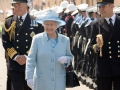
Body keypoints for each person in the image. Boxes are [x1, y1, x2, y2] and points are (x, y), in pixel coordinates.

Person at [25, 10, 73, 90]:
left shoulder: (65, 40)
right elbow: (31, 60)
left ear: (57, 25)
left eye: (52, 24)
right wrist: (29, 77)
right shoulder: (37, 39)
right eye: (46, 24)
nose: (49, 27)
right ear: (43, 25)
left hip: (59, 83)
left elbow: (70, 57)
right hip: (41, 82)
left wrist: (66, 59)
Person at [2, 0, 44, 90]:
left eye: (19, 5)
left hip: (31, 63)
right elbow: (5, 41)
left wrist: (26, 56)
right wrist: (16, 56)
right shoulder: (8, 22)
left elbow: (39, 42)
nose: (16, 8)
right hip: (14, 64)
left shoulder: (36, 22)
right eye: (15, 6)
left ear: (26, 6)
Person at [91, 0, 120, 90]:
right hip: (104, 68)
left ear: (111, 6)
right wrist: (97, 46)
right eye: (99, 7)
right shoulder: (96, 24)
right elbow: (91, 47)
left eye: (103, 7)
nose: (101, 9)